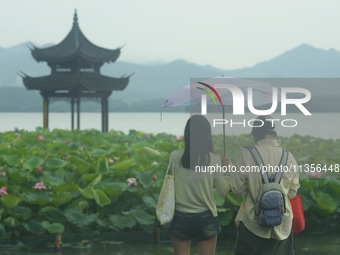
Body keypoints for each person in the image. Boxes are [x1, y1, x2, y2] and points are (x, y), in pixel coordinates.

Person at [232, 115, 300, 255]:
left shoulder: (246, 154)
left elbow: (238, 189)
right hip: (282, 224)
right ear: (274, 133)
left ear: (255, 133)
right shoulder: (288, 157)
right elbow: (292, 192)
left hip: (252, 222)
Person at [166, 115, 232, 255]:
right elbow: (223, 191)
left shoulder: (174, 156)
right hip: (206, 217)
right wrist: (227, 170)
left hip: (180, 216)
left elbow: (169, 185)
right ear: (207, 135)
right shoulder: (214, 160)